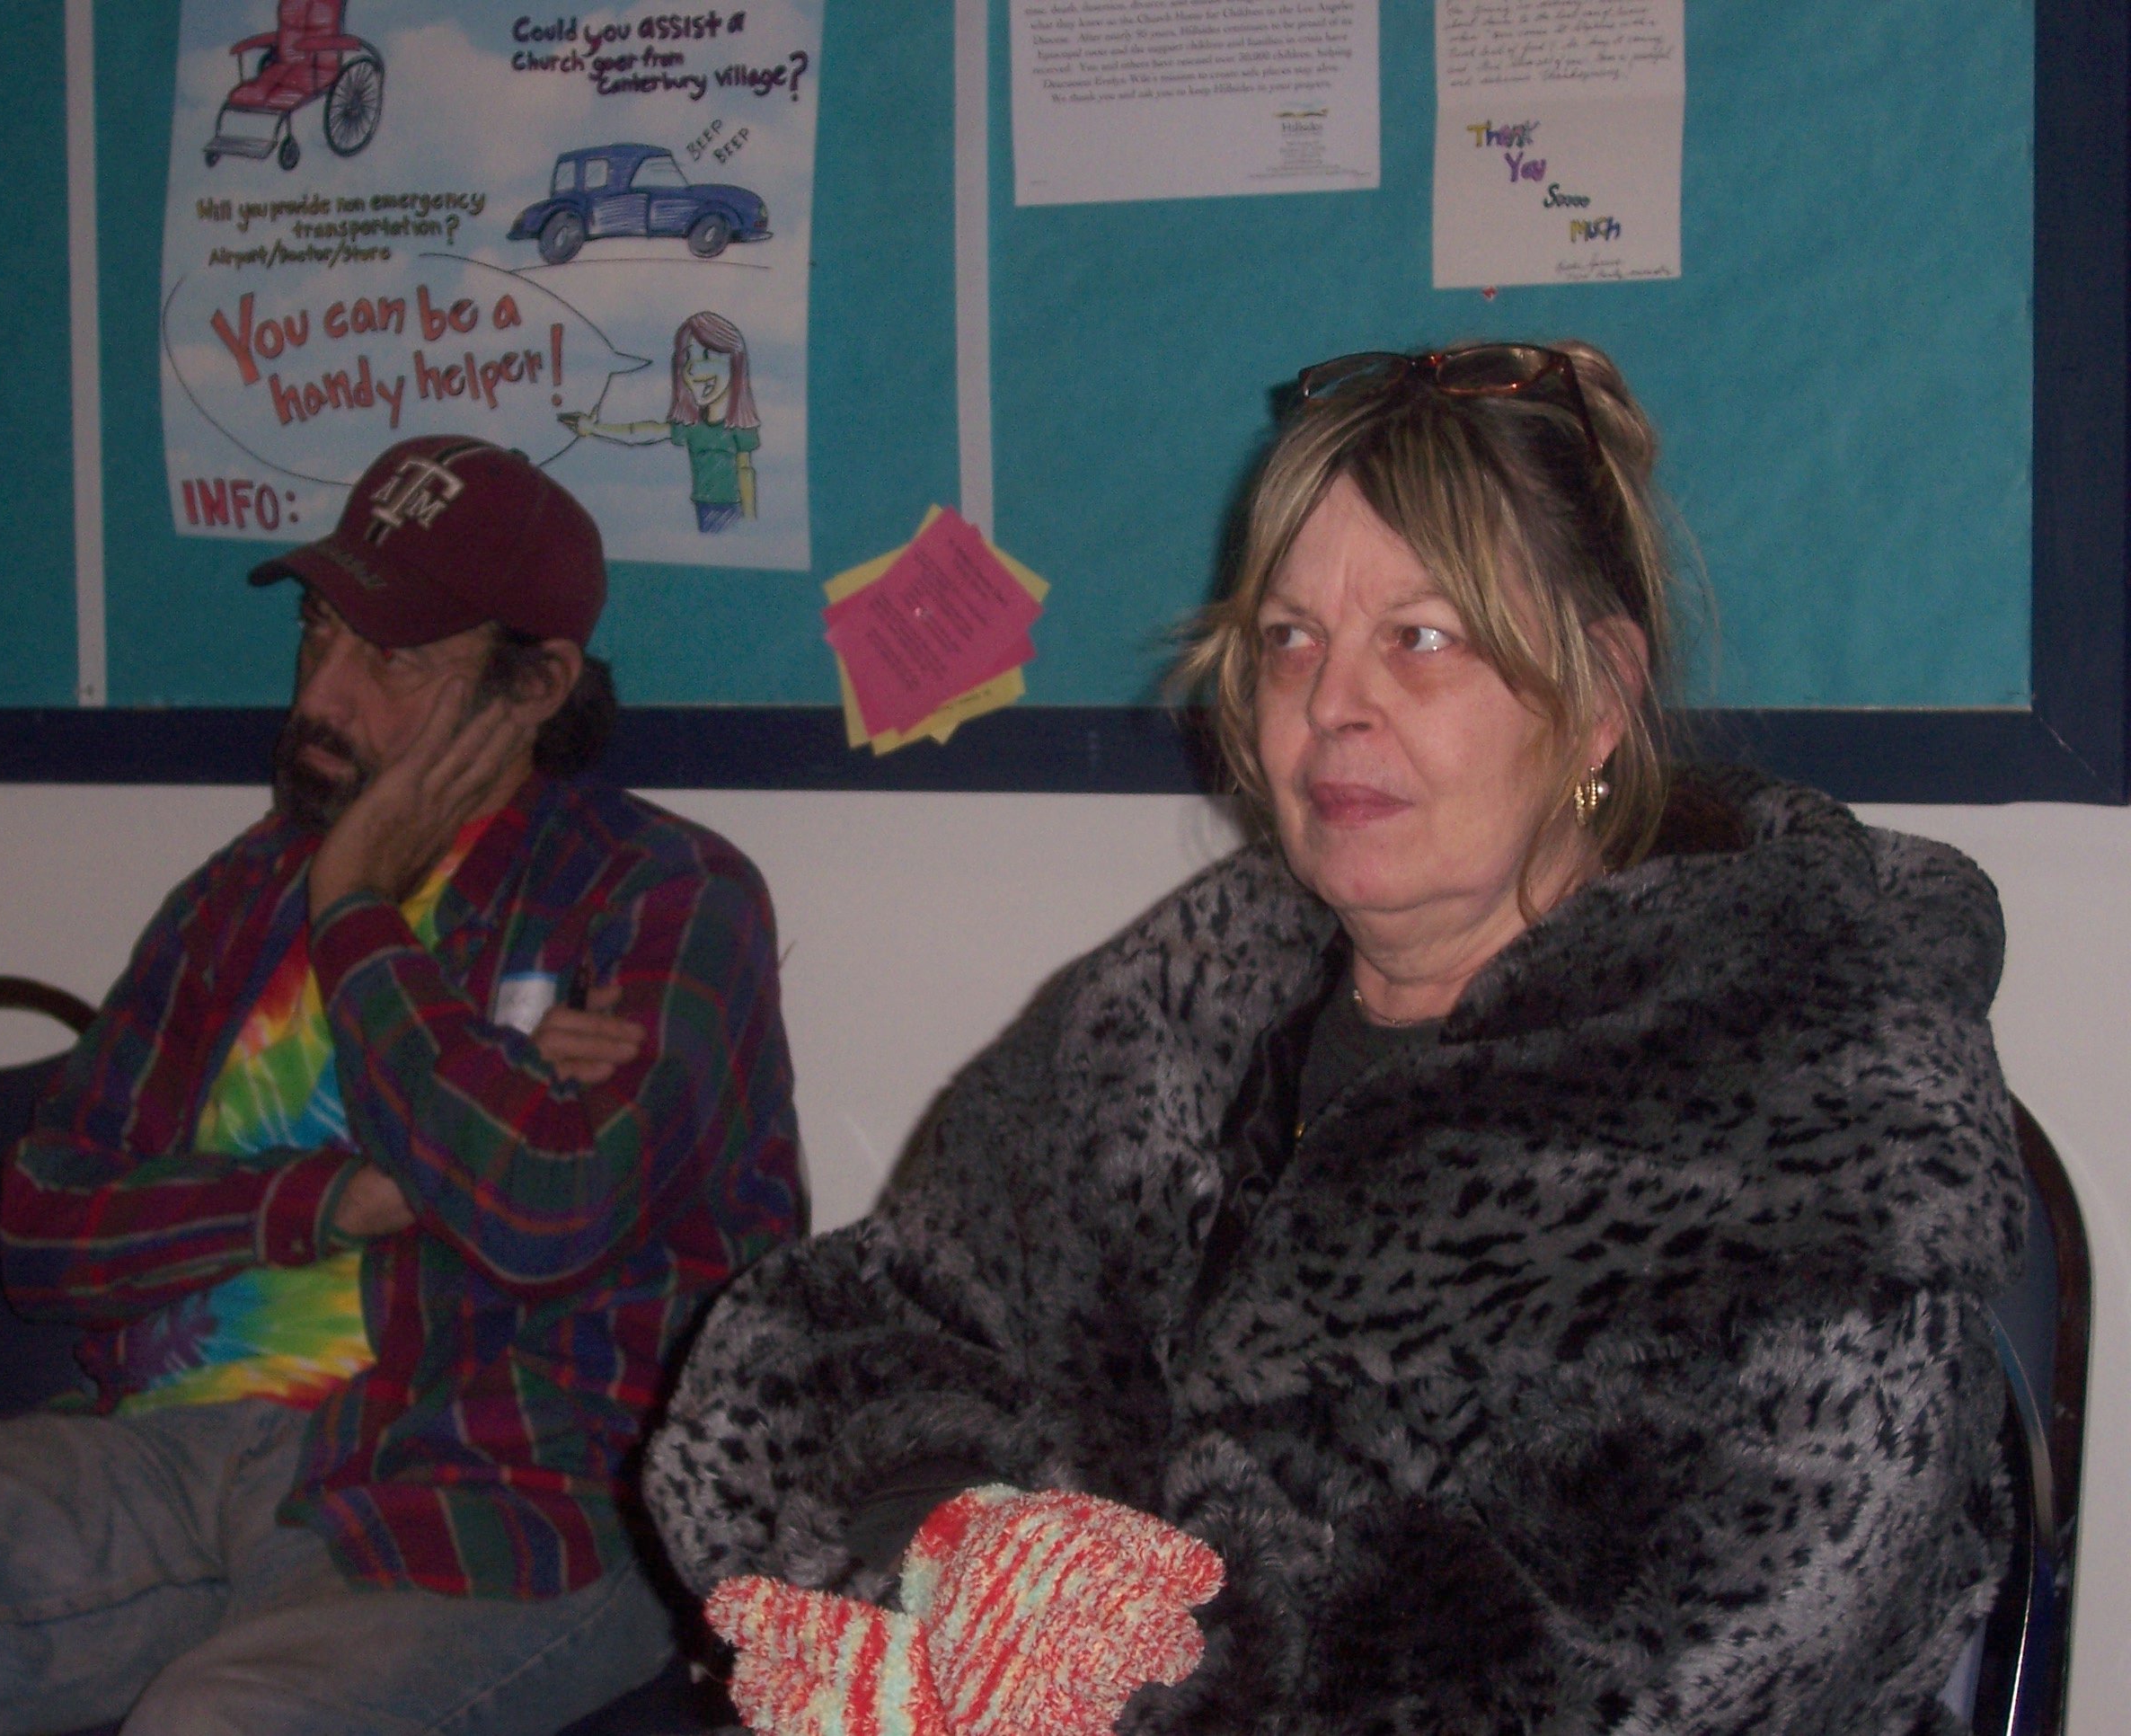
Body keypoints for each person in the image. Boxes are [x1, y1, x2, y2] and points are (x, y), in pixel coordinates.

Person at [644, 344, 2024, 1734]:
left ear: (1599, 695)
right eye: (1289, 638)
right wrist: (952, 1556)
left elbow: (1636, 1663)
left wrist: (1118, 1676)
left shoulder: (1799, 1093)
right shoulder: (1163, 1021)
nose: (1330, 703)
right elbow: (835, 1347)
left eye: (1420, 638)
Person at [0, 435, 805, 1735]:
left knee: (226, 1723)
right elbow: (47, 1229)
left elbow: (541, 1209)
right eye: (320, 632)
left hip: (492, 1497)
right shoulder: (237, 897)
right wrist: (339, 1197)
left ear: (536, 685)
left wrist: (353, 908)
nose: (324, 695)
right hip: (163, 1458)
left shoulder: (662, 895)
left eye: (392, 659)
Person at [561, 311, 761, 532]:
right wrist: (594, 428)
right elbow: (641, 432)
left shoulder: (739, 428)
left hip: (730, 511)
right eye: (688, 358)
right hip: (702, 508)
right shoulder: (692, 426)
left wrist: (750, 520)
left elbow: (745, 470)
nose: (692, 369)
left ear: (735, 363)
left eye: (706, 356)